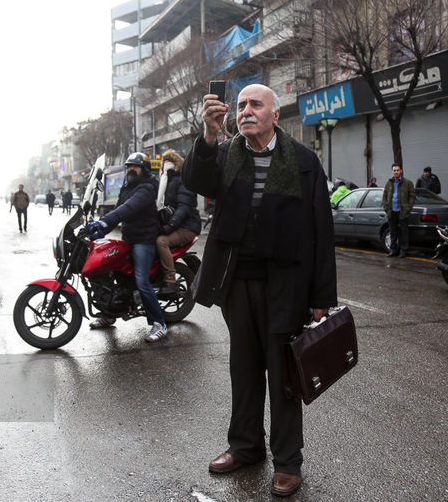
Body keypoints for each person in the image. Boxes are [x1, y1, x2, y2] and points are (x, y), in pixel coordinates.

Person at [182, 83, 337, 497]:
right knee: (244, 368)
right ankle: (245, 446)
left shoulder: (303, 161)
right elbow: (196, 179)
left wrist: (322, 297)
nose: (246, 111)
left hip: (286, 284)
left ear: (275, 114)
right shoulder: (225, 153)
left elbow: (321, 228)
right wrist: (209, 135)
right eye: (241, 105)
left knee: (284, 373)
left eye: (256, 104)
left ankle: (288, 462)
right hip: (237, 282)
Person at [86, 153, 168, 342]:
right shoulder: (127, 187)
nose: (131, 169)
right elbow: (119, 212)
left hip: (144, 240)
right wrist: (100, 231)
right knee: (111, 272)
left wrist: (104, 221)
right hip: (128, 238)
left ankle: (159, 323)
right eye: (129, 166)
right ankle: (109, 314)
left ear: (144, 169)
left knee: (141, 280)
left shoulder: (147, 187)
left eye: (136, 166)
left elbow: (128, 208)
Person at [155, 149, 202, 298]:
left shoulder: (183, 180)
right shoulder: (163, 182)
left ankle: (170, 280)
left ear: (177, 164)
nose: (167, 166)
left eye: (170, 163)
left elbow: (184, 207)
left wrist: (171, 225)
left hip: (187, 226)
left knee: (161, 242)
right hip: (173, 224)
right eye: (165, 163)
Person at [381, 163, 416, 257]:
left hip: (402, 212)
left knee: (404, 233)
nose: (396, 172)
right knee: (393, 232)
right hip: (391, 212)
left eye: (397, 170)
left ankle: (403, 251)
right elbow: (384, 195)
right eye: (394, 170)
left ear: (401, 171)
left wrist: (408, 208)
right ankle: (393, 250)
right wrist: (386, 207)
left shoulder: (407, 182)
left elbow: (412, 196)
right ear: (392, 171)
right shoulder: (389, 182)